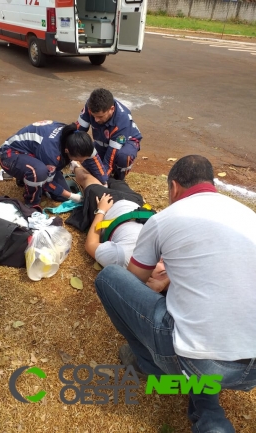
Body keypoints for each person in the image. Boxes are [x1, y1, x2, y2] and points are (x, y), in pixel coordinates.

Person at [95, 155, 256, 433]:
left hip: (202, 359)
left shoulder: (163, 220)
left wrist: (158, 285)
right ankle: (210, 415)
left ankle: (148, 363)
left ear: (173, 187)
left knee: (110, 278)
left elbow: (133, 282)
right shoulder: (248, 215)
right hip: (251, 371)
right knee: (203, 340)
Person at [72, 166, 170, 293]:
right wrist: (164, 282)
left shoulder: (123, 257)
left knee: (87, 179)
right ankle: (96, 163)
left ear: (148, 277)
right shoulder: (167, 247)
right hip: (136, 202)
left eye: (161, 270)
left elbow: (90, 245)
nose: (162, 259)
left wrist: (101, 210)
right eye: (168, 263)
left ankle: (76, 164)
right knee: (110, 177)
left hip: (109, 204)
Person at [0, 121, 95, 206]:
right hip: (10, 153)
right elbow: (47, 182)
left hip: (31, 151)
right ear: (67, 150)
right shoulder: (51, 152)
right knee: (40, 172)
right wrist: (72, 196)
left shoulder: (71, 135)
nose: (81, 162)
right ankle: (31, 203)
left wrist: (104, 182)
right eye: (79, 159)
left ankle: (25, 178)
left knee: (62, 197)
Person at [76, 88, 142, 182]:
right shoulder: (90, 105)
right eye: (93, 116)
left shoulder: (122, 121)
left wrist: (104, 180)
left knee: (123, 157)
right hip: (103, 141)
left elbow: (110, 157)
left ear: (111, 109)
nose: (96, 120)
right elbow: (78, 131)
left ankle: (118, 179)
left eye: (100, 116)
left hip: (126, 141)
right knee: (87, 165)